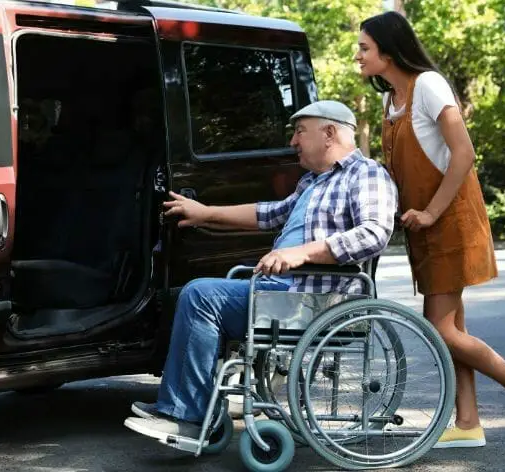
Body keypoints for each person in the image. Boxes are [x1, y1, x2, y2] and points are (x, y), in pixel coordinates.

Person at [123, 100, 398, 442]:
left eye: (300, 132)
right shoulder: (313, 182)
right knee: (179, 296)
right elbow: (269, 213)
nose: (294, 141)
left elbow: (373, 234)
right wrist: (206, 213)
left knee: (201, 296)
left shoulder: (367, 174)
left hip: (312, 299)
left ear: (329, 133)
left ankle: (186, 418)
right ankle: (193, 407)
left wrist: (300, 253)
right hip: (282, 294)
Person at [355, 11, 505, 448]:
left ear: (389, 52)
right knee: (454, 330)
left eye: (364, 48)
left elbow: (463, 153)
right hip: (423, 227)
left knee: (441, 330)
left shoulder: (429, 85)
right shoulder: (390, 101)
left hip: (450, 222)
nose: (358, 55)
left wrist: (429, 212)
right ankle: (467, 422)